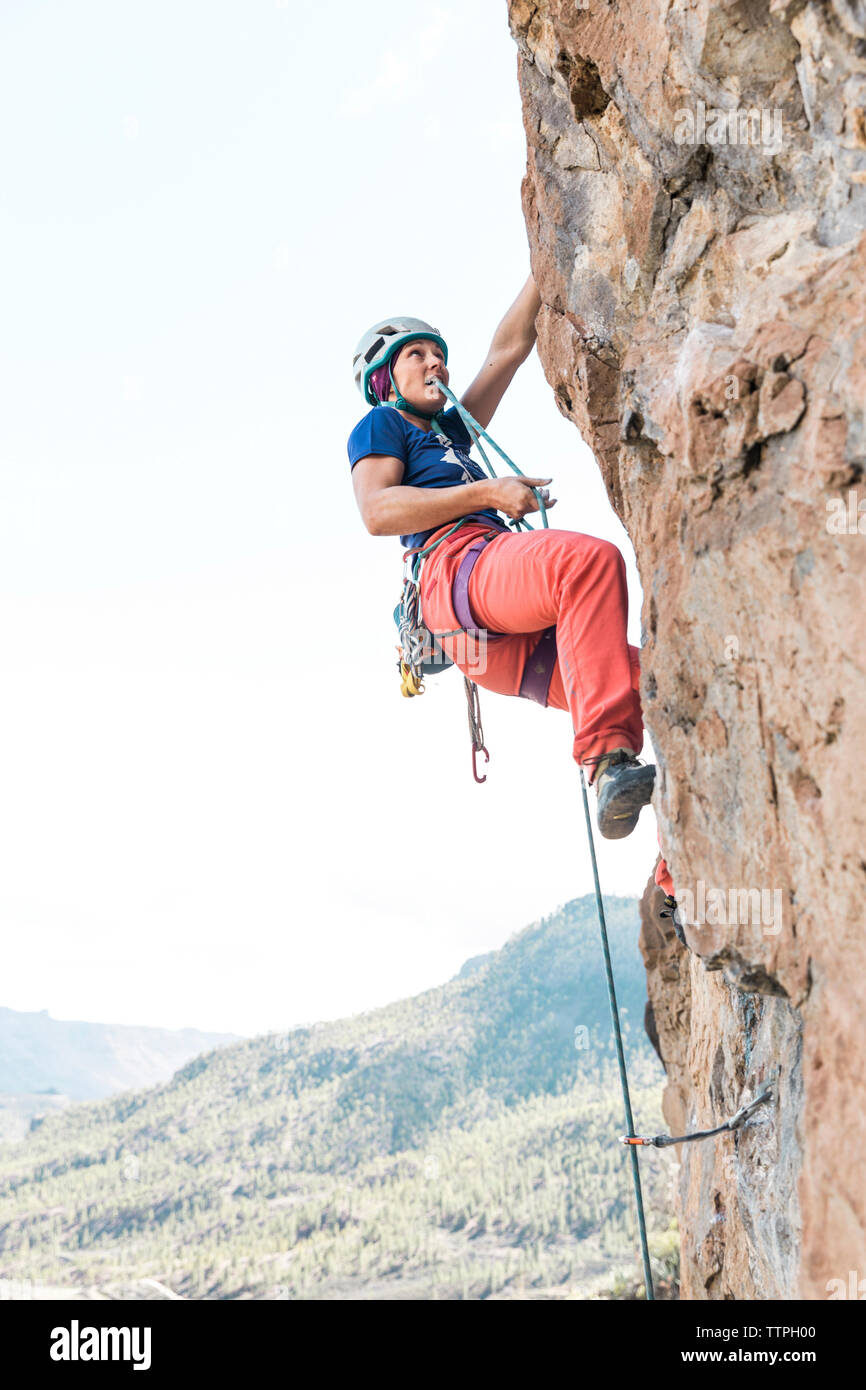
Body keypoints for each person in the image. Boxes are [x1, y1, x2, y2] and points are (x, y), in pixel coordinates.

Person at [346, 274, 659, 842]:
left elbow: (508, 350)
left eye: (438, 353)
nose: (433, 362)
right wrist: (490, 493)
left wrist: (542, 268)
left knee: (661, 686)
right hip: (456, 572)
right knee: (585, 563)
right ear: (384, 379)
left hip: (487, 643)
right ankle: (607, 756)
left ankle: (672, 881)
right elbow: (377, 511)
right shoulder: (383, 424)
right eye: (415, 355)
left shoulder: (453, 431)